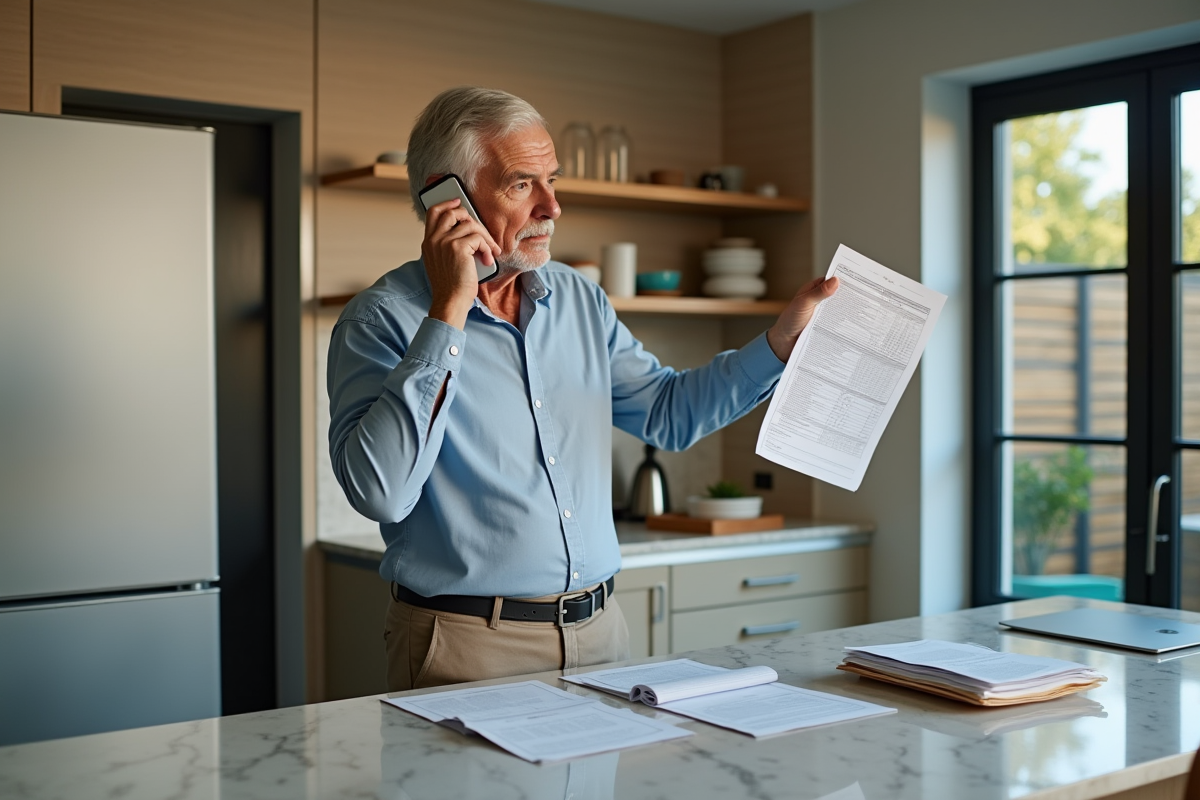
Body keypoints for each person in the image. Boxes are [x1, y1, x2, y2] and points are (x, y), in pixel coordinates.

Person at [327, 86, 838, 692]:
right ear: (448, 198)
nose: (553, 207)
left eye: (553, 181)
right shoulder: (379, 319)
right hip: (465, 647)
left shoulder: (579, 299)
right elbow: (381, 493)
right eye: (522, 184)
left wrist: (780, 343)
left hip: (602, 637)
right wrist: (448, 312)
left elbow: (669, 413)